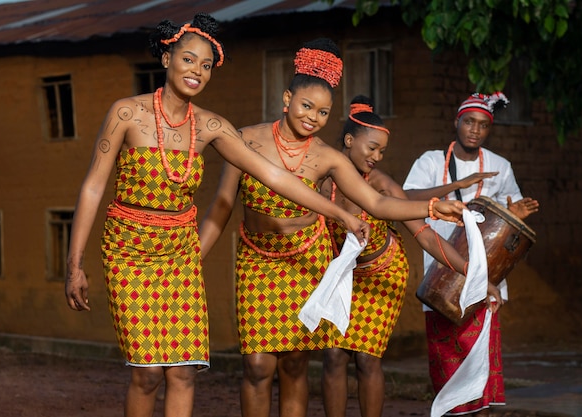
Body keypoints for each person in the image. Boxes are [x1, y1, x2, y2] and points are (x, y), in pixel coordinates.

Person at [63, 15, 374, 417]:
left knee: (184, 373)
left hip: (180, 256)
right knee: (148, 373)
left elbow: (274, 175)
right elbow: (92, 187)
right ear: (166, 59)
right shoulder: (127, 113)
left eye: (206, 65)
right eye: (189, 59)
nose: (197, 71)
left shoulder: (211, 126)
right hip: (129, 253)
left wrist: (340, 214)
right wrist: (75, 264)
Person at [198, 39, 466, 417]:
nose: (313, 117)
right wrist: (193, 259)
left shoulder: (327, 156)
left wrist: (433, 206)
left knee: (294, 364)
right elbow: (221, 207)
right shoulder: (245, 140)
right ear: (286, 98)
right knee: (257, 366)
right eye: (306, 106)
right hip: (257, 260)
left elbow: (377, 203)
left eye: (323, 112)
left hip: (307, 261)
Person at [320, 95, 482, 417]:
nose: (377, 157)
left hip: (382, 273)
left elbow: (425, 235)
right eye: (372, 148)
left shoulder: (381, 185)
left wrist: (473, 271)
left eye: (382, 151)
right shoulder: (320, 178)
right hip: (341, 274)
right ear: (349, 141)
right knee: (333, 355)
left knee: (366, 357)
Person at [402, 92, 540, 416]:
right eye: (469, 122)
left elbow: (510, 221)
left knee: (480, 363)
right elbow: (406, 196)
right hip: (441, 275)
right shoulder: (431, 161)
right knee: (446, 360)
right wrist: (462, 182)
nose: (475, 130)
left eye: (482, 125)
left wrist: (517, 214)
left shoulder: (499, 166)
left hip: (485, 278)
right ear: (457, 122)